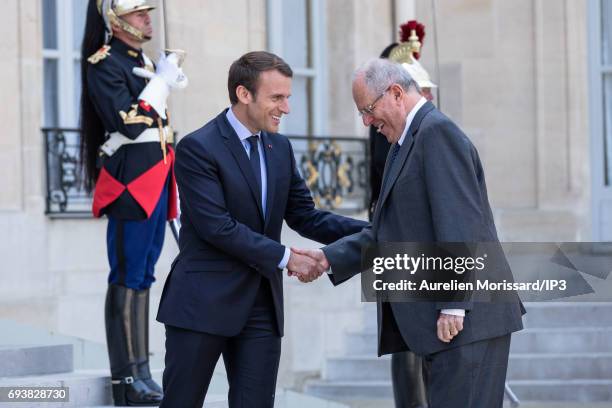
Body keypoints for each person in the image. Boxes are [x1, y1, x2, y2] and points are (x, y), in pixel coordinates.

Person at [293, 58, 525, 408]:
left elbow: (460, 223)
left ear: (397, 93)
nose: (367, 122)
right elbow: (390, 232)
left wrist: (453, 306)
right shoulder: (407, 142)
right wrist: (328, 257)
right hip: (445, 327)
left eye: (368, 110)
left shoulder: (436, 134)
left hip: (466, 322)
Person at [156, 51, 367, 408]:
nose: (285, 108)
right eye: (277, 98)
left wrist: (377, 230)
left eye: (287, 97)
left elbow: (305, 217)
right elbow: (217, 227)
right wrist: (287, 258)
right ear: (244, 94)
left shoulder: (279, 147)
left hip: (261, 307)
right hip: (202, 303)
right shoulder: (197, 147)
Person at [80, 0, 187, 405]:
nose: (147, 19)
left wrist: (163, 79)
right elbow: (126, 120)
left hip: (156, 177)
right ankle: (124, 379)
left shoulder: (139, 60)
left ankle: (141, 370)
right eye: (139, 14)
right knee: (126, 273)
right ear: (116, 21)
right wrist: (159, 84)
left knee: (143, 274)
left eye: (147, 12)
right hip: (129, 183)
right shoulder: (104, 62)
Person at [368, 20, 437, 408]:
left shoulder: (428, 127)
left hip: (424, 238)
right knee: (404, 330)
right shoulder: (391, 126)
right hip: (399, 232)